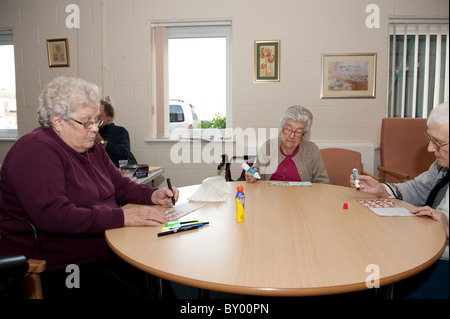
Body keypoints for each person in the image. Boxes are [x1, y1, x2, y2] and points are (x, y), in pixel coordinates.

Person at [0, 76, 178, 299]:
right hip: (60, 265)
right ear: (57, 121)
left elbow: (120, 186)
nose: (94, 129)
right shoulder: (35, 151)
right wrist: (121, 217)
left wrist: (152, 194)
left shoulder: (91, 149)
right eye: (86, 122)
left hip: (105, 250)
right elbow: (55, 216)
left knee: (157, 277)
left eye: (96, 121)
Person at [350, 102, 449, 299]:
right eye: (429, 139)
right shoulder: (441, 164)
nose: (430, 148)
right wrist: (381, 189)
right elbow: (418, 188)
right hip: (425, 243)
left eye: (437, 143)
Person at [246, 105, 329, 183]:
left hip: (302, 197)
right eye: (289, 129)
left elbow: (323, 183)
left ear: (304, 134)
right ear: (282, 129)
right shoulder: (269, 145)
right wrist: (252, 175)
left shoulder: (311, 149)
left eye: (298, 132)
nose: (292, 136)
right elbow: (256, 171)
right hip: (270, 196)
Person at [95, 97, 136, 167]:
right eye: (94, 116)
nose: (96, 119)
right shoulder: (88, 131)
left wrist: (102, 142)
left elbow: (124, 154)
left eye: (100, 116)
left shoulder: (120, 132)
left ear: (109, 117)